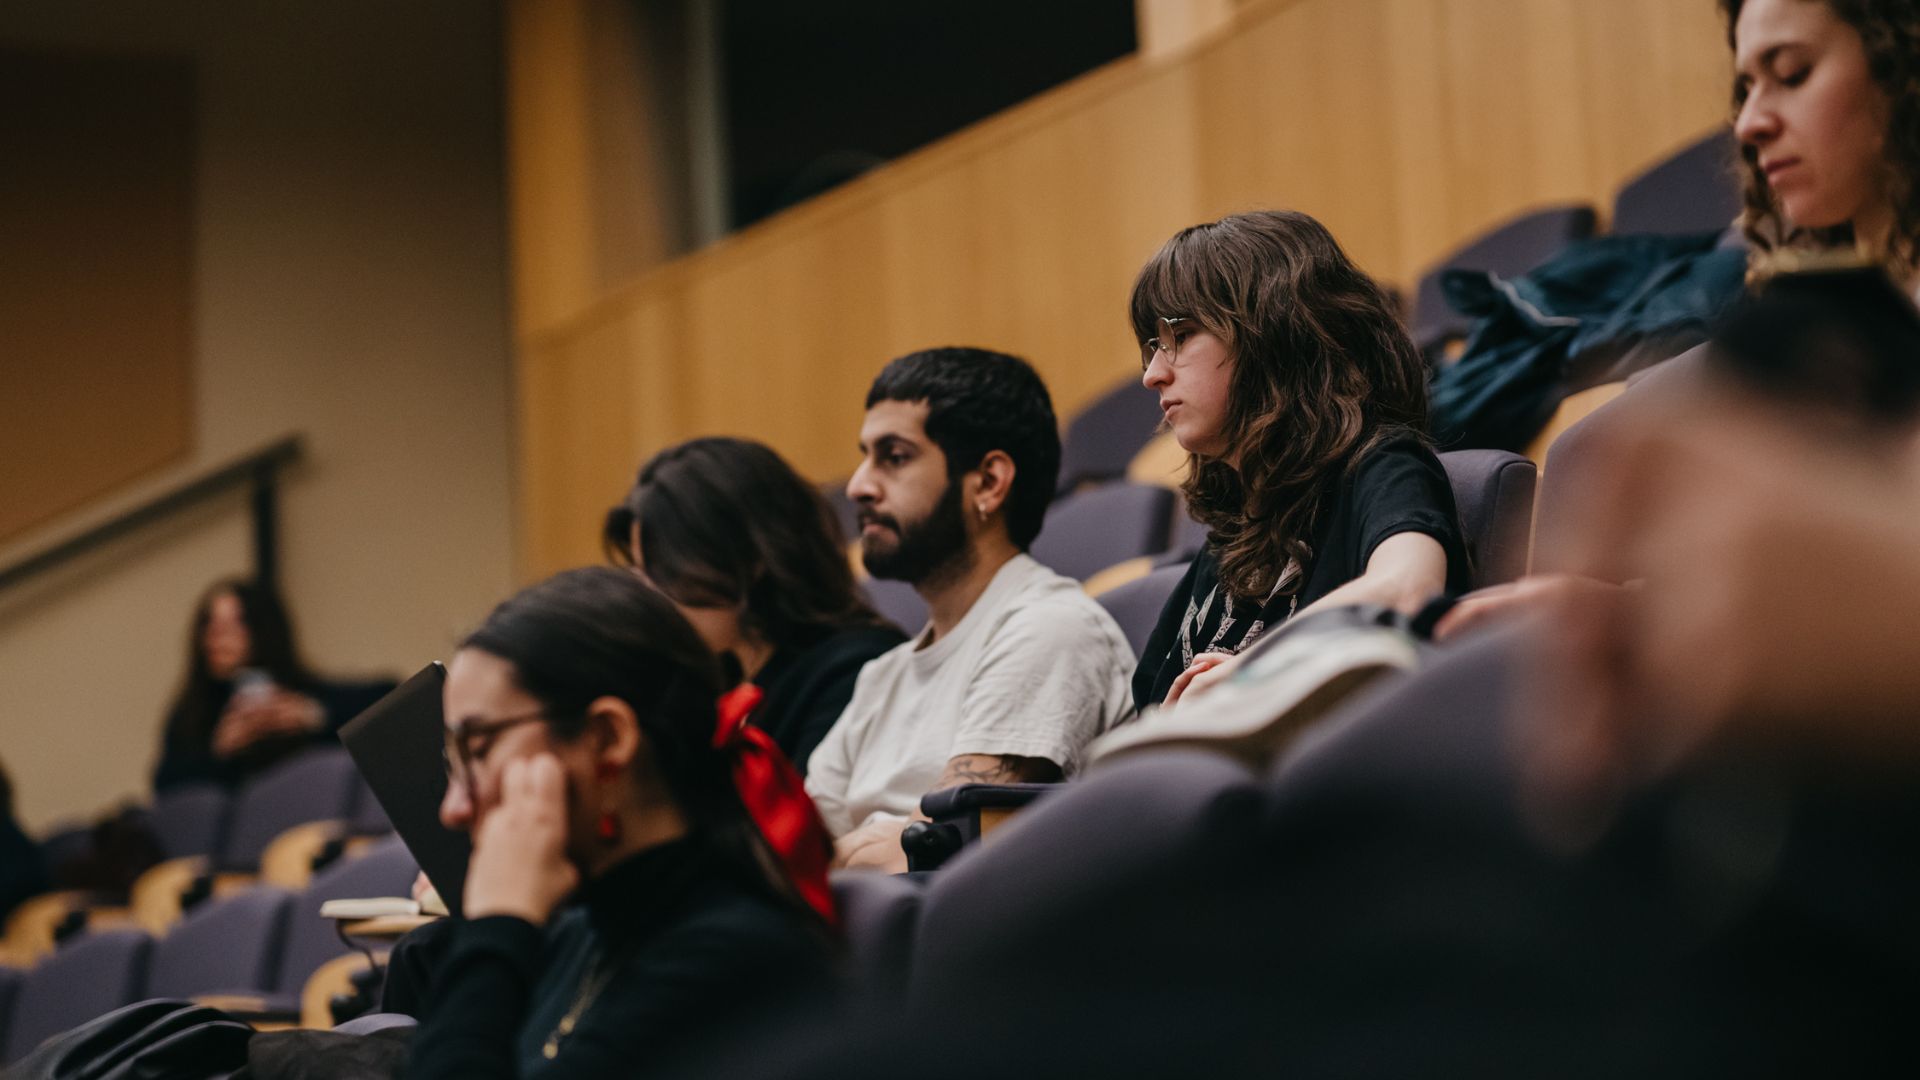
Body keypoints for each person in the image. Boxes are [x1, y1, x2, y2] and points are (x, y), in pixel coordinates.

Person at [1438, 0, 1920, 637]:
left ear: (1901, 68)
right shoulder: (1816, 313)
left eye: (1793, 73)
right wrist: (1609, 601)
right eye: (1746, 88)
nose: (1750, 123)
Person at [403, 567, 839, 1080]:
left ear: (607, 738)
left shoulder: (732, 963)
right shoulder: (581, 932)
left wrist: (498, 923)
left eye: (478, 750)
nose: (453, 808)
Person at [804, 347, 1137, 873]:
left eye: (894, 457)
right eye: (865, 456)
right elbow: (791, 856)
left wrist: (827, 866)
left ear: (988, 482)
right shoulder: (881, 677)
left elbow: (935, 851)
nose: (858, 486)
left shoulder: (1048, 628)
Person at [1129, 210, 1472, 710]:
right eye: (1154, 347)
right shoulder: (1229, 541)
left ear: (1273, 335)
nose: (1153, 375)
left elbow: (1406, 589)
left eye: (1180, 337)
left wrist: (1248, 670)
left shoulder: (1383, 466)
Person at [602, 437, 905, 774]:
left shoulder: (856, 669)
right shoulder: (711, 687)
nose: (647, 594)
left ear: (750, 556)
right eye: (640, 573)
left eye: (664, 569)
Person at [151, 578, 391, 792]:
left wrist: (312, 715)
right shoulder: (193, 717)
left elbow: (387, 702)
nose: (219, 636)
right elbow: (164, 785)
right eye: (210, 624)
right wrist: (219, 751)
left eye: (237, 622)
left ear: (263, 629)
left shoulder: (300, 693)